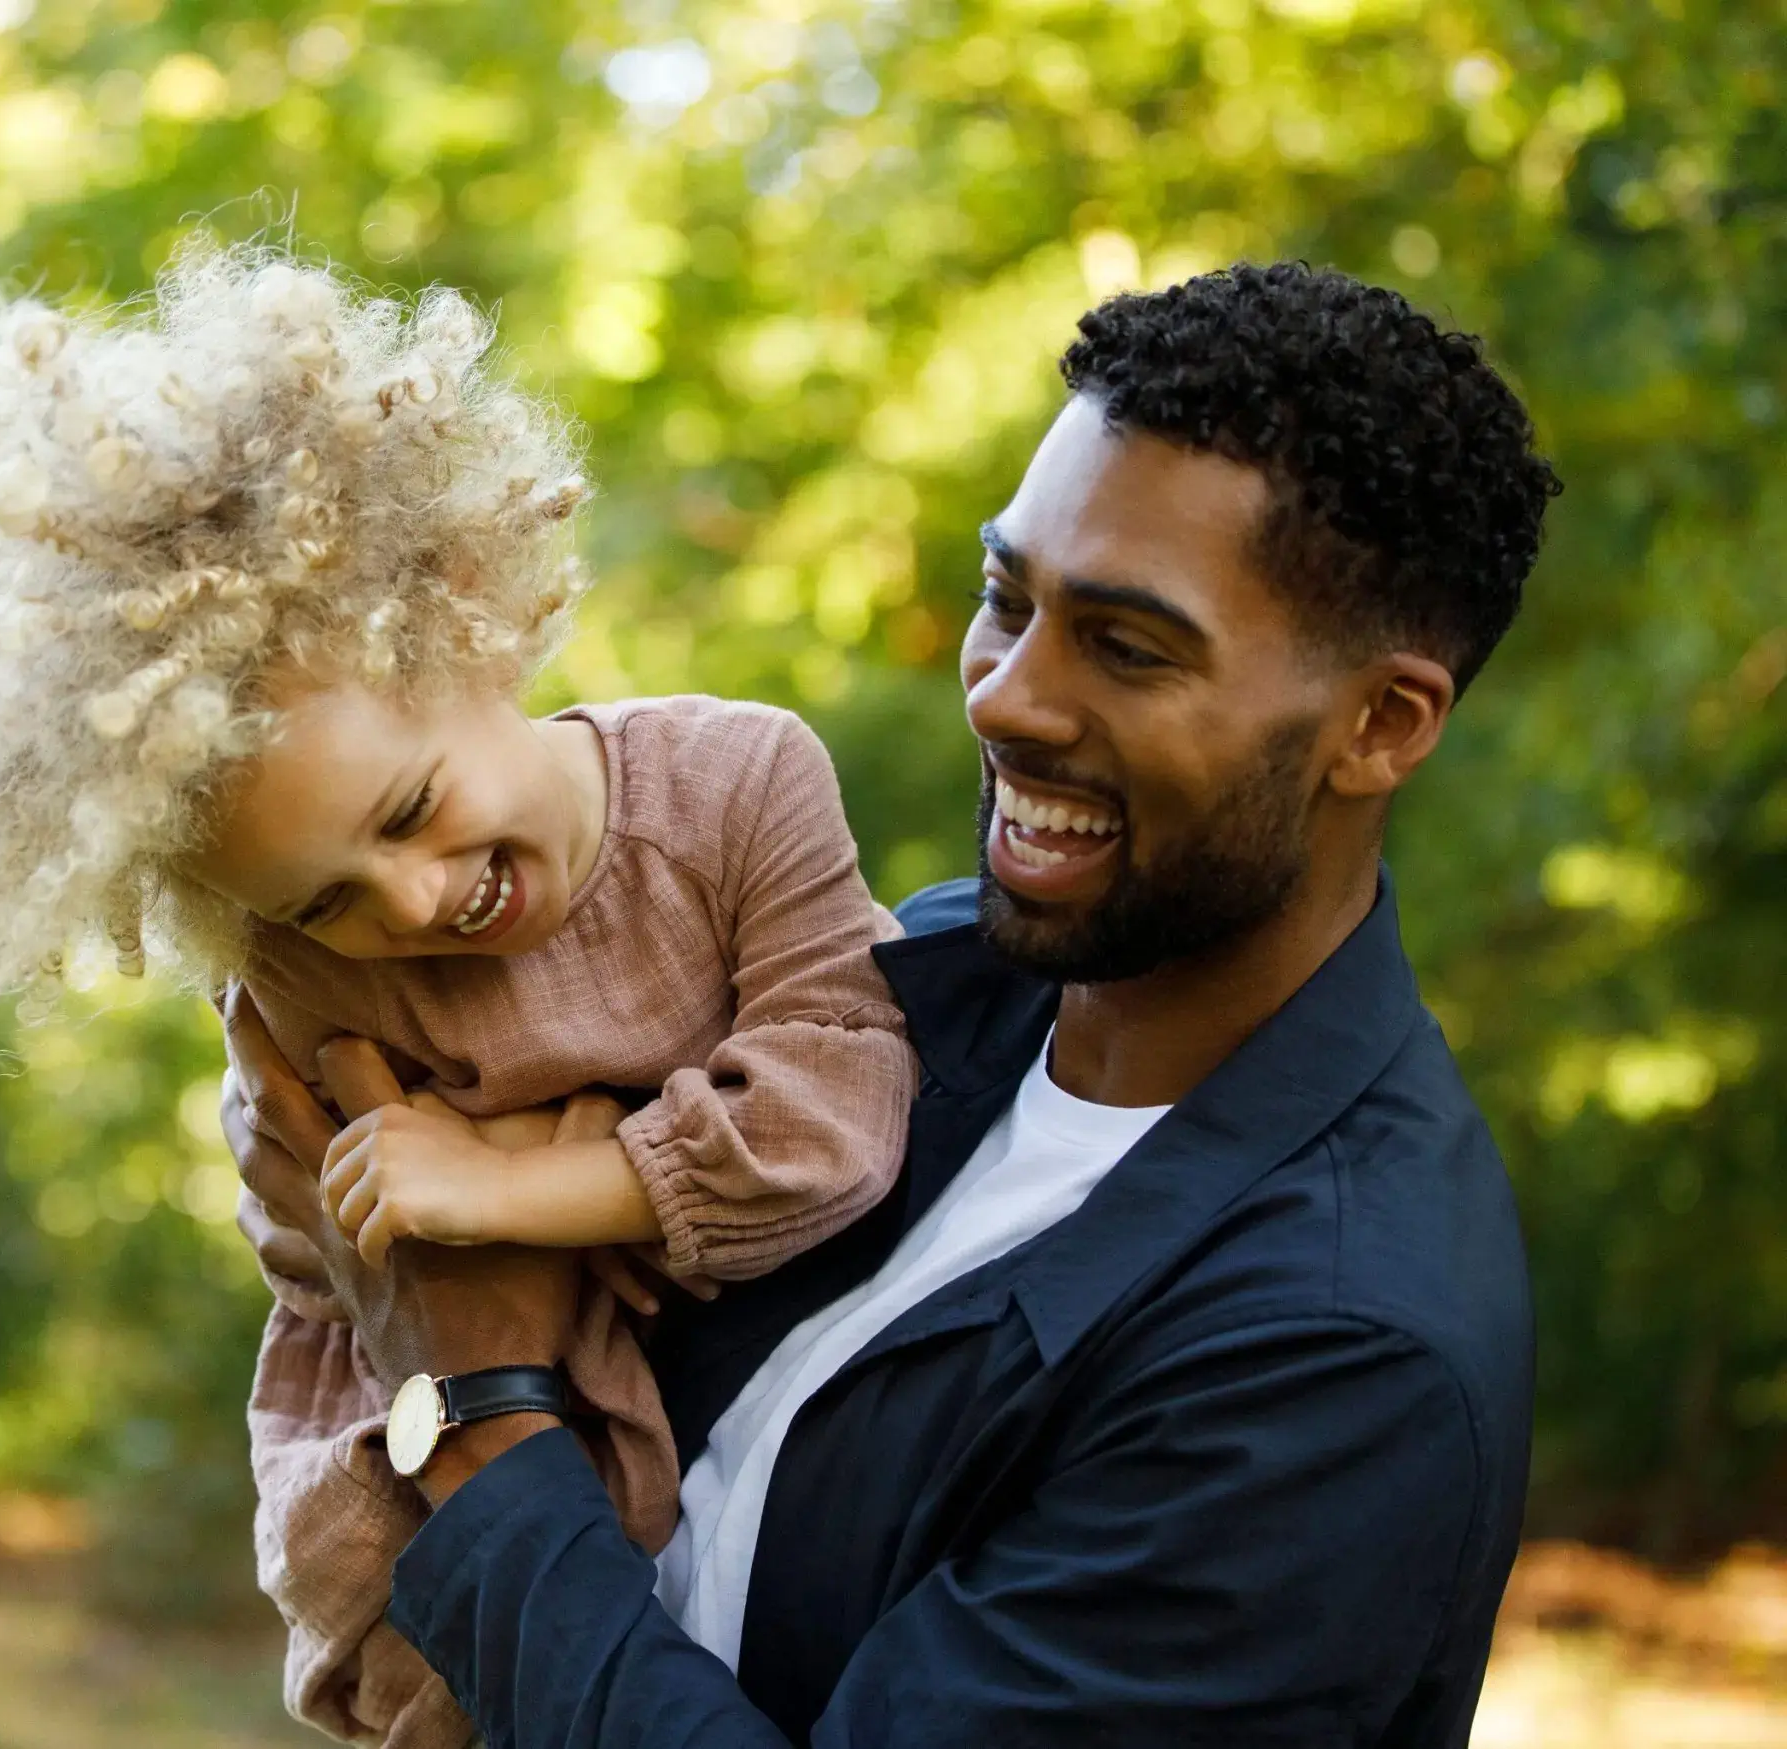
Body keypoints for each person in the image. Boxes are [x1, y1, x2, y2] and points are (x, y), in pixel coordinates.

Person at [224, 261, 1560, 1746]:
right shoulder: (910, 997)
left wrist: (476, 1387)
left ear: (1380, 726)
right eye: (1009, 599)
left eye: (1126, 647)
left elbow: (487, 1349)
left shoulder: (1335, 1357)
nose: (1002, 696)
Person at [0, 248, 920, 1749]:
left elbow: (837, 1110)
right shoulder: (303, 981)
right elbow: (329, 1251)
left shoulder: (735, 784)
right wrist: (453, 1230)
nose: (415, 906)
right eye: (323, 902)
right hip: (470, 1450)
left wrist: (509, 1186)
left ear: (464, 620)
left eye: (408, 809)